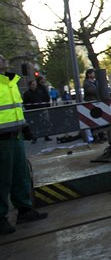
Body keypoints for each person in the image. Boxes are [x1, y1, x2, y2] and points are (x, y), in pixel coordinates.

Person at [0, 54, 48, 235]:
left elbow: (15, 109)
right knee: (2, 180)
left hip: (15, 137)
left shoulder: (9, 82)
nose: (3, 58)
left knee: (21, 175)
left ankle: (25, 210)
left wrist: (25, 127)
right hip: (2, 140)